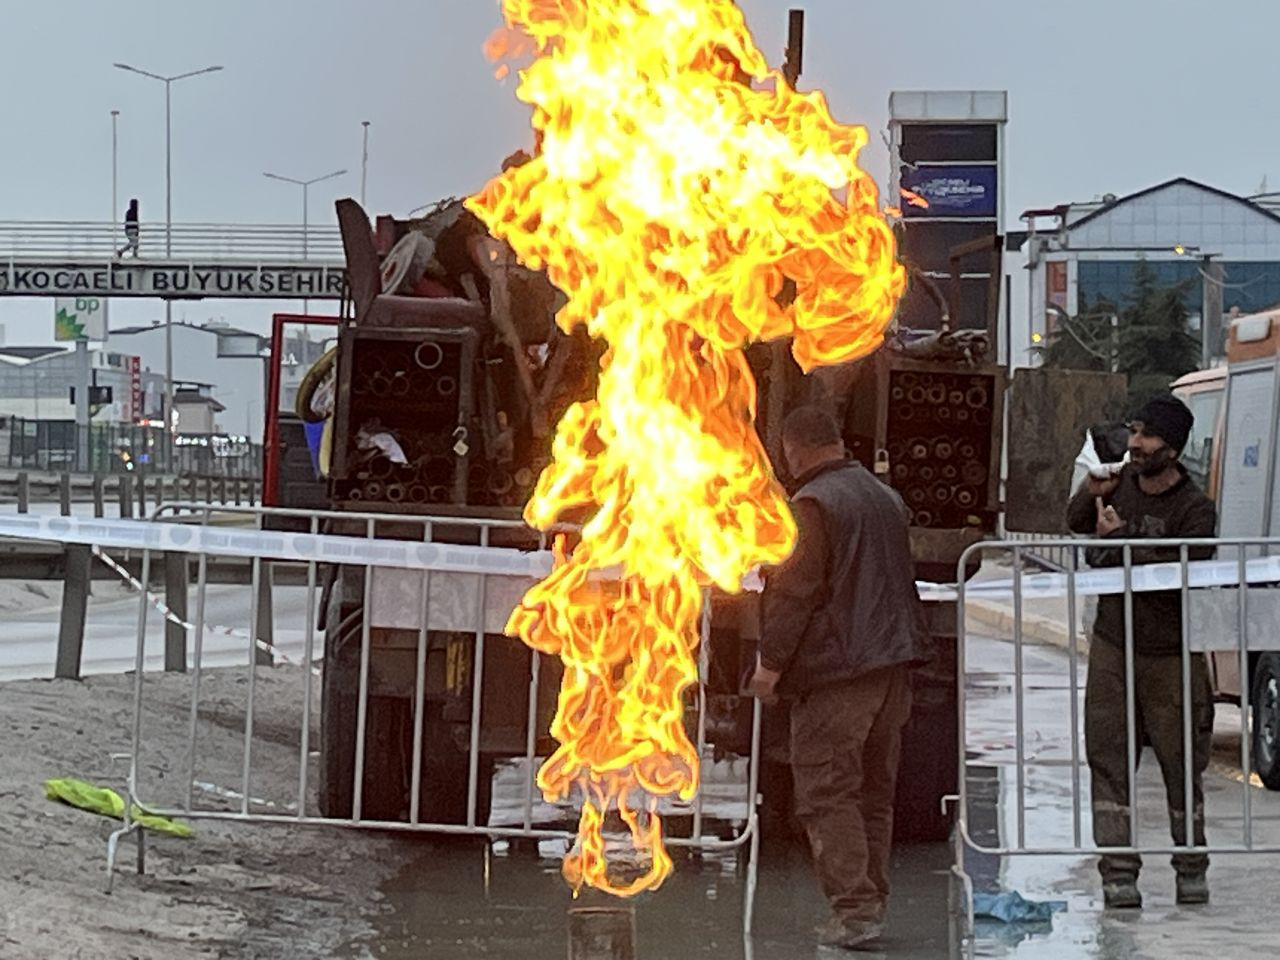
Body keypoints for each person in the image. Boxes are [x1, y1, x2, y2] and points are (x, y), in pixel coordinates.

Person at [748, 405, 926, 951]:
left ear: (793, 449)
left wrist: (770, 666)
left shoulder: (813, 504)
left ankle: (854, 914)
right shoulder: (883, 496)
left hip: (839, 673)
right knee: (873, 793)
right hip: (891, 667)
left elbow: (795, 593)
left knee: (827, 793)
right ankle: (871, 904)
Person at [1066, 394, 1216, 909]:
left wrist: (1124, 538)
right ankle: (1118, 874)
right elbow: (1076, 522)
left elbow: (1185, 569)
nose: (1134, 443)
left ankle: (1191, 867)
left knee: (1181, 763)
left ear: (1171, 448)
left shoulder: (1195, 508)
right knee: (1107, 757)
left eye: (1146, 435)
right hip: (1114, 646)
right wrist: (1090, 494)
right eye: (1133, 431)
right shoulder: (1118, 484)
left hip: (1171, 655)